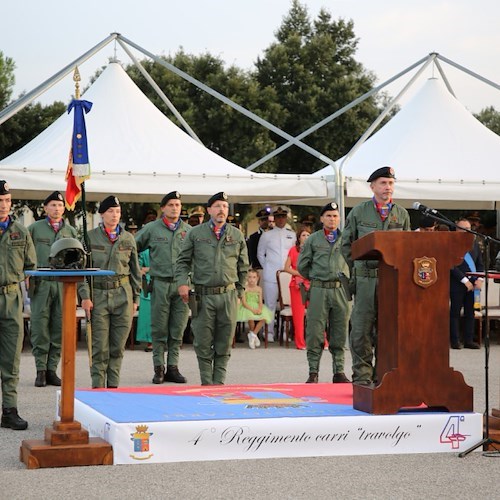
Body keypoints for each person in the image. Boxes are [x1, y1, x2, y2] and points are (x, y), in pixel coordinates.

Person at [342, 167, 410, 385]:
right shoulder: (360, 212)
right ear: (372, 186)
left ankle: (385, 377)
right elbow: (346, 244)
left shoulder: (402, 214)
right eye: (383, 183)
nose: (387, 187)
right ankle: (362, 378)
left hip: (391, 281)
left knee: (388, 330)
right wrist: (356, 271)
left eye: (390, 183)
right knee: (361, 330)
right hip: (365, 279)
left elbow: (408, 247)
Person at [176, 192, 248, 385]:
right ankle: (207, 383)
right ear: (208, 210)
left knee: (224, 342)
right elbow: (183, 261)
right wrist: (183, 283)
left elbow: (244, 267)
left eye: (224, 206)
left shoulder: (236, 235)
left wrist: (239, 292)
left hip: (228, 295)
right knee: (203, 341)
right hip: (203, 295)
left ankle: (219, 384)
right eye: (217, 206)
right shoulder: (195, 233)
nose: (221, 210)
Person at [79, 196, 141, 388]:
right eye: (110, 211)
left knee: (117, 346)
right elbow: (82, 271)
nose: (115, 215)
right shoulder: (89, 238)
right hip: (98, 295)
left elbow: (135, 271)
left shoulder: (128, 238)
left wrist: (136, 298)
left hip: (123, 295)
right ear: (102, 214)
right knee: (99, 347)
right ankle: (98, 387)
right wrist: (85, 297)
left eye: (117, 211)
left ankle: (113, 387)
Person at [135, 191, 192, 384]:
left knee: (178, 328)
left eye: (177, 205)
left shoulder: (189, 231)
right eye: (171, 205)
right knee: (159, 329)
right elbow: (131, 248)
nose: (175, 208)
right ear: (163, 208)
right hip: (159, 284)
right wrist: (139, 270)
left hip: (181, 286)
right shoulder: (152, 229)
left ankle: (173, 367)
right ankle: (159, 368)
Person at [28, 191, 78, 388]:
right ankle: (40, 369)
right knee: (40, 327)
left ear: (64, 208)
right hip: (42, 284)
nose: (57, 209)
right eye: (53, 205)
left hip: (63, 284)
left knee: (59, 326)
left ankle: (52, 369)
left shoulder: (71, 232)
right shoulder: (34, 229)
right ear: (45, 207)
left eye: (60, 205)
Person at [298, 203, 351, 383]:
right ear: (321, 219)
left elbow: (353, 263)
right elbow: (302, 266)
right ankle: (313, 372)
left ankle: (339, 371)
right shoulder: (313, 239)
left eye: (335, 216)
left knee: (340, 331)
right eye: (328, 215)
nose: (332, 219)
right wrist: (317, 278)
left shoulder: (346, 239)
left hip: (340, 290)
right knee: (315, 332)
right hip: (319, 290)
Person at [0, 180, 37, 430]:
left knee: (12, 357)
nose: (4, 206)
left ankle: (9, 411)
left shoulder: (20, 231)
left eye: (7, 201)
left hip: (11, 299)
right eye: (0, 201)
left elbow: (31, 266)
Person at [257, 206, 295, 342]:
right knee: (270, 304)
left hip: (288, 274)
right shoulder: (267, 235)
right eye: (278, 217)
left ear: (286, 218)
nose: (280, 219)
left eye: (283, 217)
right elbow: (260, 254)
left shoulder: (292, 234)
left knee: (288, 304)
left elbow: (294, 254)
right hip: (271, 274)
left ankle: (285, 332)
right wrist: (267, 267)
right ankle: (269, 332)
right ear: (274, 218)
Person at [450, 218, 484, 349]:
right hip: (457, 284)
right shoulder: (451, 244)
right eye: (462, 229)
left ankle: (468, 340)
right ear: (456, 229)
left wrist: (479, 280)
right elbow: (451, 265)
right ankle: (455, 340)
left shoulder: (474, 244)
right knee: (455, 313)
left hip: (474, 284)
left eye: (468, 229)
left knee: (470, 312)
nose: (465, 232)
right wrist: (464, 281)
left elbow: (480, 264)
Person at [283, 225, 312, 350]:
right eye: (303, 235)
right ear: (299, 238)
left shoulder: (314, 249)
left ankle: (323, 341)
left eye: (308, 235)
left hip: (311, 284)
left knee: (316, 314)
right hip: (297, 285)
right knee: (298, 316)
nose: (306, 237)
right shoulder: (293, 250)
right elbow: (286, 268)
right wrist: (299, 273)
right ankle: (300, 342)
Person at [236, 269, 273, 349]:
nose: (251, 279)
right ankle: (254, 336)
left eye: (254, 277)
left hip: (256, 305)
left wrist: (259, 308)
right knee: (251, 317)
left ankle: (253, 334)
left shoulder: (259, 289)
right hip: (247, 307)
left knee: (264, 317)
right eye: (249, 277)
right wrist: (253, 310)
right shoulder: (245, 288)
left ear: (257, 278)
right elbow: (244, 303)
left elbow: (260, 301)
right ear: (246, 278)